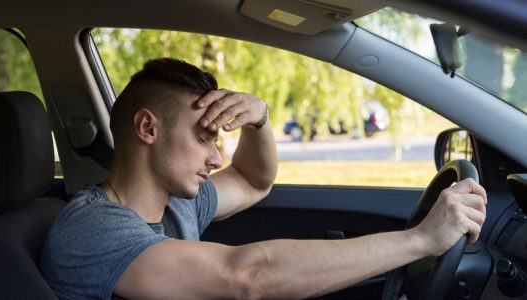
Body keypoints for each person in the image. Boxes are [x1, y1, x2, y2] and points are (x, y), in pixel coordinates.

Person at [41, 58, 487, 299]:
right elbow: (245, 277)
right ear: (148, 129)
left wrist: (260, 119)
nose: (216, 157)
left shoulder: (178, 201)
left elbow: (254, 181)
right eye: (204, 138)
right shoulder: (92, 230)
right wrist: (421, 241)